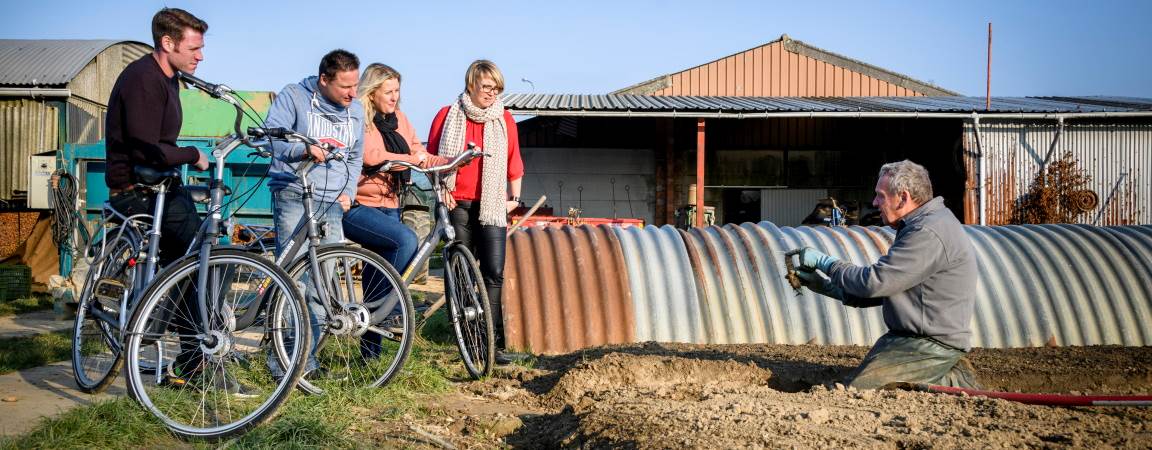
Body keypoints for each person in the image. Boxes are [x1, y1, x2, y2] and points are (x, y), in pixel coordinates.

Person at [104, 7, 223, 390]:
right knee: (203, 256)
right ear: (167, 43)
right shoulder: (143, 79)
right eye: (194, 47)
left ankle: (173, 334)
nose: (200, 55)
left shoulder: (170, 78)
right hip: (135, 191)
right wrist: (193, 155)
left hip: (160, 186)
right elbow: (146, 149)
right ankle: (189, 358)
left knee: (200, 251)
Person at [793, 160, 981, 390]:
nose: (874, 203)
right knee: (861, 382)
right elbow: (886, 290)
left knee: (856, 390)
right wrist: (824, 286)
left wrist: (828, 263)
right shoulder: (922, 225)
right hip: (909, 341)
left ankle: (949, 377)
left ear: (903, 198)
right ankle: (942, 372)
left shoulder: (927, 232)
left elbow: (875, 283)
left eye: (880, 196)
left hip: (927, 345)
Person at [265, 49, 364, 377]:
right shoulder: (294, 96)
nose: (352, 93)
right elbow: (273, 139)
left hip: (332, 201)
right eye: (345, 87)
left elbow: (355, 155)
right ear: (324, 80)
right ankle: (283, 362)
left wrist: (348, 192)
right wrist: (303, 148)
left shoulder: (357, 111)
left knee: (323, 283)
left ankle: (306, 362)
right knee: (296, 280)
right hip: (293, 194)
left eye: (356, 85)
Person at [342, 63, 447, 355]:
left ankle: (370, 354)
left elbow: (420, 154)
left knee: (377, 277)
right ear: (372, 91)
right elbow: (371, 155)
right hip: (358, 205)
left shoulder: (399, 118)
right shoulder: (359, 117)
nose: (394, 96)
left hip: (390, 204)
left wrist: (452, 160)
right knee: (406, 240)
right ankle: (388, 310)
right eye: (388, 91)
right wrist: (410, 158)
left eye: (397, 90)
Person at [427, 60, 524, 363]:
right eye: (487, 87)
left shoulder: (504, 119)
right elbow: (431, 159)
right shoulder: (448, 115)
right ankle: (469, 343)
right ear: (471, 84)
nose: (492, 93)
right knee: (462, 273)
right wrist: (441, 191)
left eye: (497, 88)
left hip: (493, 205)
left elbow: (514, 162)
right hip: (457, 204)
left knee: (493, 272)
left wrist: (515, 198)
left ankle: (491, 344)